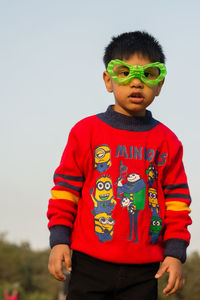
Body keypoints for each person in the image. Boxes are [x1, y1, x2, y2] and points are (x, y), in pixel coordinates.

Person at [47, 31, 192, 300]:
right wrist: (59, 240)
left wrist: (175, 253)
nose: (136, 83)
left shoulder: (168, 141)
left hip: (145, 269)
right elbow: (65, 190)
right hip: (89, 262)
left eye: (148, 75)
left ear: (159, 85)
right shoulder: (85, 132)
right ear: (108, 80)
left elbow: (177, 201)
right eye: (124, 72)